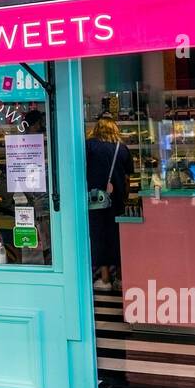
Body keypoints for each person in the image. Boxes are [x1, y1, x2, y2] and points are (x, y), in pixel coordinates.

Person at [85, 114, 133, 291]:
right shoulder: (123, 148)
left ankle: (105, 278)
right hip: (118, 199)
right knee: (118, 235)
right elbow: (128, 178)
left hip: (95, 198)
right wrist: (125, 197)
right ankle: (120, 277)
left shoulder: (89, 146)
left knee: (99, 235)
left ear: (97, 129)